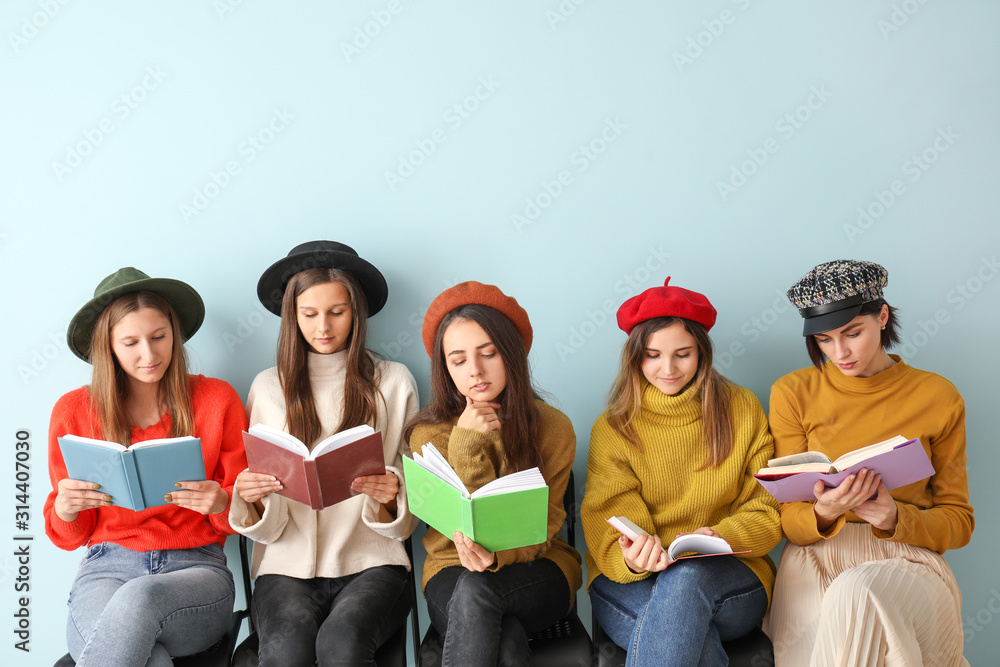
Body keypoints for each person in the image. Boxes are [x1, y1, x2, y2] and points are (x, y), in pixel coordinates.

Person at [765, 259, 974, 666]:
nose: (839, 352)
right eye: (824, 340)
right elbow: (787, 518)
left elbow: (959, 520)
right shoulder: (793, 393)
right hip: (814, 562)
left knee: (856, 591)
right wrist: (823, 512)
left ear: (882, 316)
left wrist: (895, 518)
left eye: (852, 333)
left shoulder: (937, 395)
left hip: (906, 558)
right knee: (840, 606)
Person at [43, 267, 248, 666]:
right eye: (131, 342)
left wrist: (223, 502)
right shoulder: (73, 411)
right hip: (106, 568)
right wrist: (66, 509)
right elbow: (71, 536)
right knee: (146, 656)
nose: (149, 355)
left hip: (197, 569)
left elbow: (245, 518)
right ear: (109, 347)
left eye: (159, 338)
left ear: (175, 334)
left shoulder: (217, 400)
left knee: (137, 599)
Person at [229, 241, 419, 667]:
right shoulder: (267, 387)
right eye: (309, 314)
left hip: (373, 561)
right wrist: (253, 495)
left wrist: (391, 496)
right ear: (292, 317)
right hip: (285, 566)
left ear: (357, 312)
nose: (324, 327)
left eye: (337, 312)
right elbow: (263, 520)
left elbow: (414, 498)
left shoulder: (394, 381)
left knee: (343, 645)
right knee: (287, 651)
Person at [581, 277, 782, 666]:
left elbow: (768, 510)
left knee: (685, 582)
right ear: (635, 357)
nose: (667, 368)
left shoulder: (742, 409)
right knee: (687, 627)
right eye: (653, 355)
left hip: (731, 577)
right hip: (633, 582)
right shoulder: (613, 427)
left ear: (703, 353)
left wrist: (720, 536)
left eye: (683, 354)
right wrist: (635, 559)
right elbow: (607, 522)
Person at [405, 281, 582, 666]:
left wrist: (495, 556)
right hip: (451, 568)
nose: (476, 371)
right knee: (502, 634)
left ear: (513, 354)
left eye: (489, 353)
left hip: (541, 567)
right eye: (458, 360)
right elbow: (464, 527)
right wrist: (465, 441)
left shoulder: (554, 428)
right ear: (444, 368)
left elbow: (543, 527)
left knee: (479, 592)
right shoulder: (428, 434)